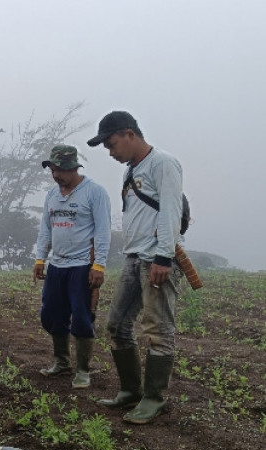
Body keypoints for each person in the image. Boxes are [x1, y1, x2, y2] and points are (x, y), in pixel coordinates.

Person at [87, 111, 183, 424]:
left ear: (129, 134)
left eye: (112, 144)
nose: (110, 152)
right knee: (116, 324)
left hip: (156, 258)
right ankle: (130, 391)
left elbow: (171, 210)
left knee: (158, 330)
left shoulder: (163, 163)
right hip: (133, 257)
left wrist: (163, 257)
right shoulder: (131, 170)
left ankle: (154, 398)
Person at [34, 145, 111, 389]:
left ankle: (83, 370)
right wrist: (40, 258)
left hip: (82, 266)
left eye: (60, 170)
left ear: (74, 168)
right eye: (53, 170)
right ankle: (62, 362)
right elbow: (46, 228)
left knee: (81, 317)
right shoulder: (51, 195)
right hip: (57, 265)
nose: (56, 176)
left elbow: (103, 232)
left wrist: (99, 265)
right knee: (51, 314)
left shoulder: (95, 193)